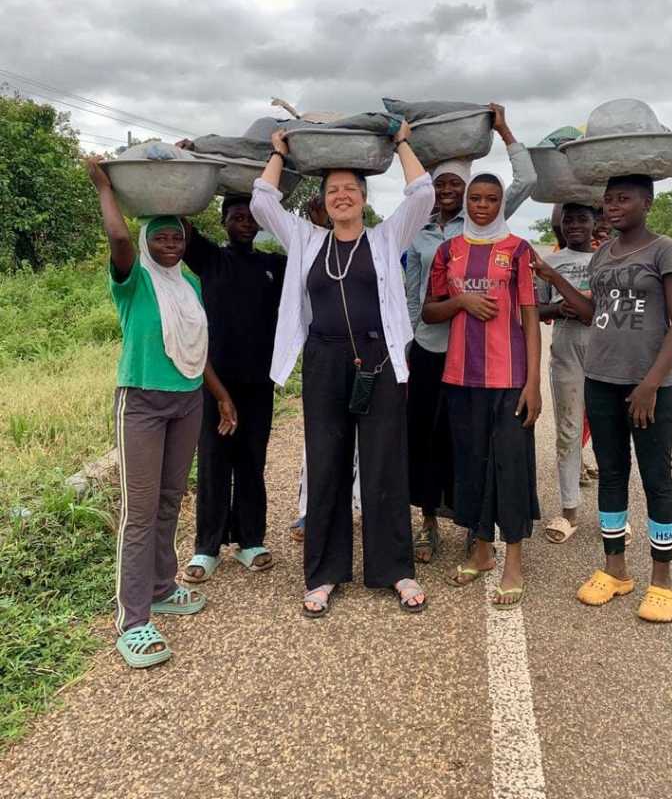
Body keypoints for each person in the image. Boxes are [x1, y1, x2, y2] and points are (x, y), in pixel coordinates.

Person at [250, 122, 435, 617]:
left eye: (351, 188)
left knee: (384, 464)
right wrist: (279, 153)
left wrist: (401, 142)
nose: (342, 196)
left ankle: (394, 569)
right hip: (324, 361)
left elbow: (423, 193)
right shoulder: (306, 239)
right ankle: (324, 574)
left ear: (365, 197)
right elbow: (263, 202)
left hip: (380, 360)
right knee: (326, 463)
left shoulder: (386, 236)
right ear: (323, 201)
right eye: (333, 190)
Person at [85, 158, 237, 669]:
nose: (170, 244)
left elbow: (196, 347)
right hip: (143, 402)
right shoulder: (132, 280)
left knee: (171, 499)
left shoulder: (188, 285)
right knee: (140, 510)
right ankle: (132, 620)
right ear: (146, 241)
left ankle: (161, 587)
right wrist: (105, 188)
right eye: (161, 237)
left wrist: (220, 394)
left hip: (187, 399)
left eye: (177, 237)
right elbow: (118, 239)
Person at [531, 174, 672, 623]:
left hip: (649, 388)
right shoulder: (604, 254)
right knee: (613, 475)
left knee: (657, 478)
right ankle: (615, 570)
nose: (613, 206)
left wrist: (650, 384)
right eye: (608, 200)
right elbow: (592, 313)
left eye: (624, 199)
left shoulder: (666, 251)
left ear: (648, 203)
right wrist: (552, 278)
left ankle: (662, 581)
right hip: (601, 380)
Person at [405, 103, 536, 563]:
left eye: (455, 186)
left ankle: (472, 524)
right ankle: (427, 522)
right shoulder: (418, 232)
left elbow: (526, 181)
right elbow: (411, 292)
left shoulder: (485, 222)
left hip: (479, 356)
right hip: (429, 348)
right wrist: (407, 342)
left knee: (470, 444)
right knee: (425, 438)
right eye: (440, 184)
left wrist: (504, 130)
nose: (448, 192)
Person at [422, 172, 542, 607]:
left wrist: (533, 382)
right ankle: (481, 551)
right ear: (467, 202)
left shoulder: (519, 250)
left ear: (501, 204)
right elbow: (430, 311)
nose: (482, 206)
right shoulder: (448, 251)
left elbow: (530, 317)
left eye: (492, 199)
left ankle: (514, 561)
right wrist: (461, 302)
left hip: (509, 379)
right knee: (471, 465)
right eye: (476, 198)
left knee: (510, 465)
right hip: (460, 378)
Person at [176, 194, 286, 582]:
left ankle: (250, 540)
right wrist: (185, 179)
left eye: (251, 216)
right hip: (214, 382)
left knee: (252, 461)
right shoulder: (210, 259)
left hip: (258, 382)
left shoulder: (274, 265)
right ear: (223, 222)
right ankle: (206, 547)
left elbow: (310, 256)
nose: (244, 222)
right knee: (214, 462)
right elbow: (179, 220)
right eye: (236, 216)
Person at [290, 194, 361, 545]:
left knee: (361, 442)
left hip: (365, 355)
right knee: (319, 443)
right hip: (323, 355)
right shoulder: (309, 247)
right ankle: (312, 511)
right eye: (319, 209)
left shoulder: (371, 244)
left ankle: (357, 506)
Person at [537, 203, 596, 544]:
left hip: (605, 353)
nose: (575, 225)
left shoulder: (608, 259)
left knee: (610, 434)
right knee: (568, 432)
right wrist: (559, 308)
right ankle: (569, 511)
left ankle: (616, 515)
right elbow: (534, 308)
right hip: (566, 353)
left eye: (582, 219)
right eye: (568, 219)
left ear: (594, 222)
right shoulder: (550, 263)